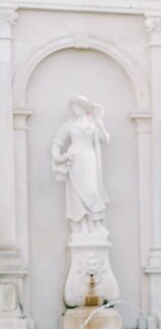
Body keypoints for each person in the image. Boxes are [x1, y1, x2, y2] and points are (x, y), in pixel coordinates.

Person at [51, 95, 111, 236]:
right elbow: (57, 142)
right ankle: (82, 223)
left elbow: (105, 139)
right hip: (75, 159)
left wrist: (99, 122)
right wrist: (57, 156)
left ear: (84, 107)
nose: (74, 109)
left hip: (89, 158)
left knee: (92, 190)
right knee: (77, 191)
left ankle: (95, 223)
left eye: (77, 105)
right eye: (73, 106)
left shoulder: (93, 124)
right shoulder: (69, 125)